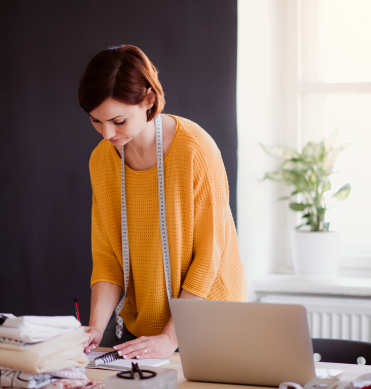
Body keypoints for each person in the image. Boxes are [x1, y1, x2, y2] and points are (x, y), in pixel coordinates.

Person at [78, 45, 246, 360]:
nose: (106, 134)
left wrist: (170, 338)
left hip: (212, 320)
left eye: (117, 121)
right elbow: (107, 258)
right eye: (96, 121)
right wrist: (95, 330)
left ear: (149, 100)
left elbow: (209, 256)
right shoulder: (101, 160)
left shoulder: (195, 149)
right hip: (145, 329)